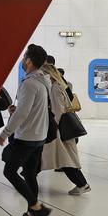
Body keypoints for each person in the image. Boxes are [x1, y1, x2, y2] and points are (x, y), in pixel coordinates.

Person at [0, 44, 52, 216]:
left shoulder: (29, 83)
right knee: (28, 174)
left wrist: (5, 134)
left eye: (24, 57)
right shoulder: (43, 81)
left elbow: (22, 114)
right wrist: (17, 109)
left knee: (9, 171)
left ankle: (37, 208)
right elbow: (31, 108)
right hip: (39, 136)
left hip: (27, 137)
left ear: (28, 60)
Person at [39, 64, 91, 195]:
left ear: (48, 75)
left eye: (43, 74)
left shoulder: (55, 88)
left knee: (64, 159)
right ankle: (82, 184)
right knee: (63, 159)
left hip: (60, 129)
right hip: (64, 128)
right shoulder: (62, 85)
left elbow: (58, 110)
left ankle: (82, 184)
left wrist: (51, 126)